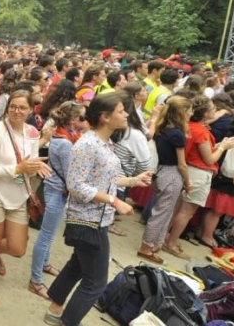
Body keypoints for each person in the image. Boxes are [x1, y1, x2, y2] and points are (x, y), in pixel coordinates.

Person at [44, 93, 152, 326]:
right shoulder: (88, 144)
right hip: (88, 221)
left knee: (78, 265)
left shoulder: (105, 142)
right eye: (122, 111)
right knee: (96, 283)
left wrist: (134, 181)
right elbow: (75, 186)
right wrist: (113, 200)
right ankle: (67, 321)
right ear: (104, 117)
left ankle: (54, 309)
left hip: (95, 219)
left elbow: (104, 179)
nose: (126, 115)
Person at [0, 90, 51, 307]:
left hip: (18, 195)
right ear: (7, 108)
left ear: (30, 110)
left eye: (22, 107)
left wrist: (36, 167)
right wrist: (18, 168)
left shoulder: (33, 133)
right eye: (13, 107)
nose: (17, 111)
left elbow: (31, 161)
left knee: (18, 248)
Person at [164, 95, 234, 260]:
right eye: (213, 109)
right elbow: (209, 159)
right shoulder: (201, 132)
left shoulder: (191, 126)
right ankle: (171, 242)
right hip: (199, 173)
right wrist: (223, 147)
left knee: (177, 209)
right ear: (204, 113)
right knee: (186, 212)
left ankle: (165, 238)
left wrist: (217, 146)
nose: (216, 111)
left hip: (191, 169)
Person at [29, 101, 87, 300]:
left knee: (49, 234)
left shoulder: (65, 136)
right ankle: (35, 280)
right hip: (57, 193)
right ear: (72, 120)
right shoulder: (65, 143)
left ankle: (43, 265)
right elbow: (73, 175)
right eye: (82, 117)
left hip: (55, 191)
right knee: (46, 236)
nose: (85, 121)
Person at [137, 95, 193, 264]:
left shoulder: (162, 127)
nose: (191, 114)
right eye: (189, 111)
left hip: (159, 172)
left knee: (163, 211)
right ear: (182, 112)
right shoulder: (177, 134)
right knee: (161, 213)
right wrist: (188, 182)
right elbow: (182, 164)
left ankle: (153, 244)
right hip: (171, 173)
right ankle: (146, 247)